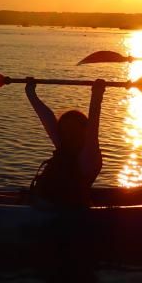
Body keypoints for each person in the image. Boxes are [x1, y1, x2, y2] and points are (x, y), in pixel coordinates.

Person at [25, 78, 105, 207]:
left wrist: (97, 93)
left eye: (74, 131)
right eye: (65, 131)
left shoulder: (88, 158)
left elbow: (93, 123)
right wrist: (31, 93)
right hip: (40, 206)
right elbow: (48, 119)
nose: (69, 136)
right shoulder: (64, 148)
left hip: (65, 215)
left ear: (84, 132)